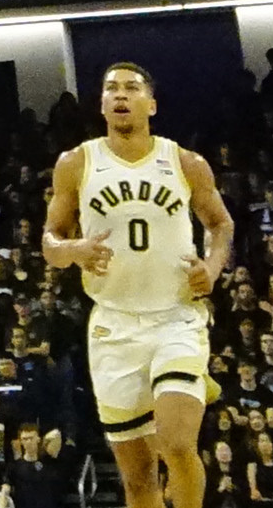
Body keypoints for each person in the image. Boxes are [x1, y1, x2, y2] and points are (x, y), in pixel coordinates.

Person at [42, 64, 235, 508]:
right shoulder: (76, 163)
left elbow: (221, 223)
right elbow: (49, 242)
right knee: (138, 478)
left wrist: (214, 264)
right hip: (113, 326)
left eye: (131, 88)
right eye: (111, 89)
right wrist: (74, 250)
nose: (120, 95)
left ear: (152, 104)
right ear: (102, 104)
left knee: (176, 443)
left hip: (176, 318)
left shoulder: (185, 162)